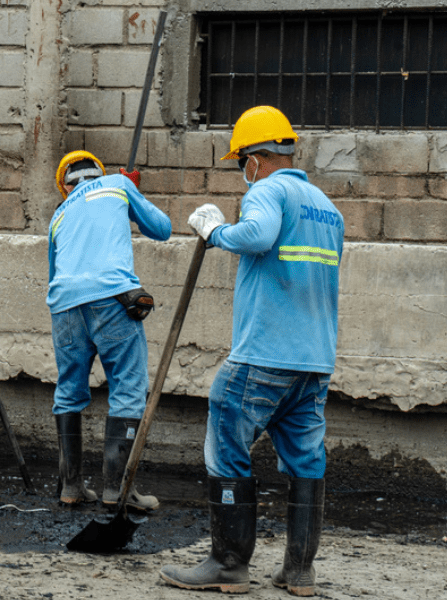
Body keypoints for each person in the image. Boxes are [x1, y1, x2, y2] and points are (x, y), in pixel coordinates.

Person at [160, 105, 342, 597]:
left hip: (264, 354)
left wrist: (215, 232)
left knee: (226, 442)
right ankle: (299, 572)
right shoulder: (326, 206)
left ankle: (228, 564)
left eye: (242, 160)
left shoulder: (269, 188)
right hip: (314, 360)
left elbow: (258, 236)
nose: (244, 171)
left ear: (257, 158)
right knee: (306, 461)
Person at [46, 151, 171, 510]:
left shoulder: (59, 214)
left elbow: (55, 274)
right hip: (112, 299)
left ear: (64, 186)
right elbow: (161, 229)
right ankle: (118, 490)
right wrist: (131, 191)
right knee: (128, 388)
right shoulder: (116, 185)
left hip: (65, 305)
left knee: (69, 391)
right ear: (98, 174)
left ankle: (70, 487)